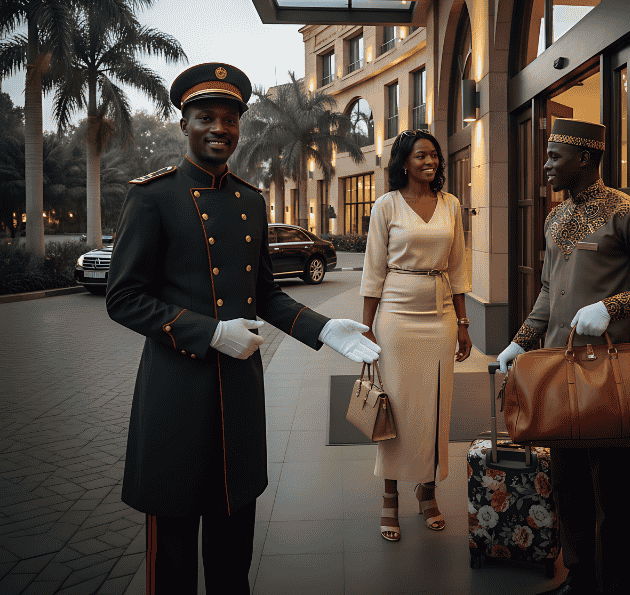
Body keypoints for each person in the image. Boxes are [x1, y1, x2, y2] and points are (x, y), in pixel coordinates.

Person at [106, 63, 380, 595]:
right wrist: (208, 332)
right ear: (183, 121)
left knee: (233, 560)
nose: (219, 128)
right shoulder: (153, 197)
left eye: (230, 119)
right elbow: (124, 298)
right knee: (174, 564)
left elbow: (268, 294)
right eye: (205, 116)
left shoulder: (251, 201)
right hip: (175, 397)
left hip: (238, 395)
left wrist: (325, 331)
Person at [497, 117, 630, 595]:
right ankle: (579, 579)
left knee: (610, 496)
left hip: (608, 378)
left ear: (584, 158)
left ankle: (614, 586)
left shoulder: (627, 213)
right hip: (559, 375)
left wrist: (612, 306)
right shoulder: (554, 219)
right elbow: (547, 291)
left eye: (554, 157)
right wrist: (521, 340)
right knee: (568, 486)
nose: (546, 166)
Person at [359, 128, 472, 542]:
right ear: (403, 162)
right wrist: (366, 329)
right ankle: (390, 496)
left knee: (436, 408)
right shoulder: (386, 205)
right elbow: (373, 271)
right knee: (396, 410)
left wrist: (463, 323)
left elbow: (458, 267)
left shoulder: (451, 205)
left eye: (435, 156)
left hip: (440, 312)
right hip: (395, 315)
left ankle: (428, 491)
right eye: (421, 156)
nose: (431, 162)